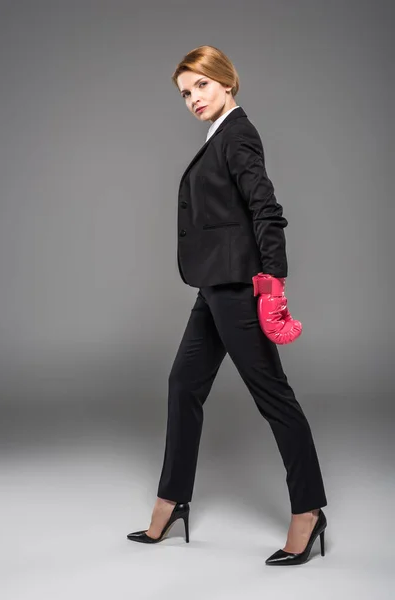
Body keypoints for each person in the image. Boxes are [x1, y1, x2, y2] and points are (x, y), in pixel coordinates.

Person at [127, 45, 328, 566]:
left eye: (201, 86)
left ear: (226, 82)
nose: (194, 99)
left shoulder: (238, 134)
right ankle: (171, 503)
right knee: (183, 385)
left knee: (272, 397)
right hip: (213, 286)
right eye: (185, 93)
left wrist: (273, 283)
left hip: (239, 287)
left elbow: (268, 211)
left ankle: (308, 512)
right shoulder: (217, 135)